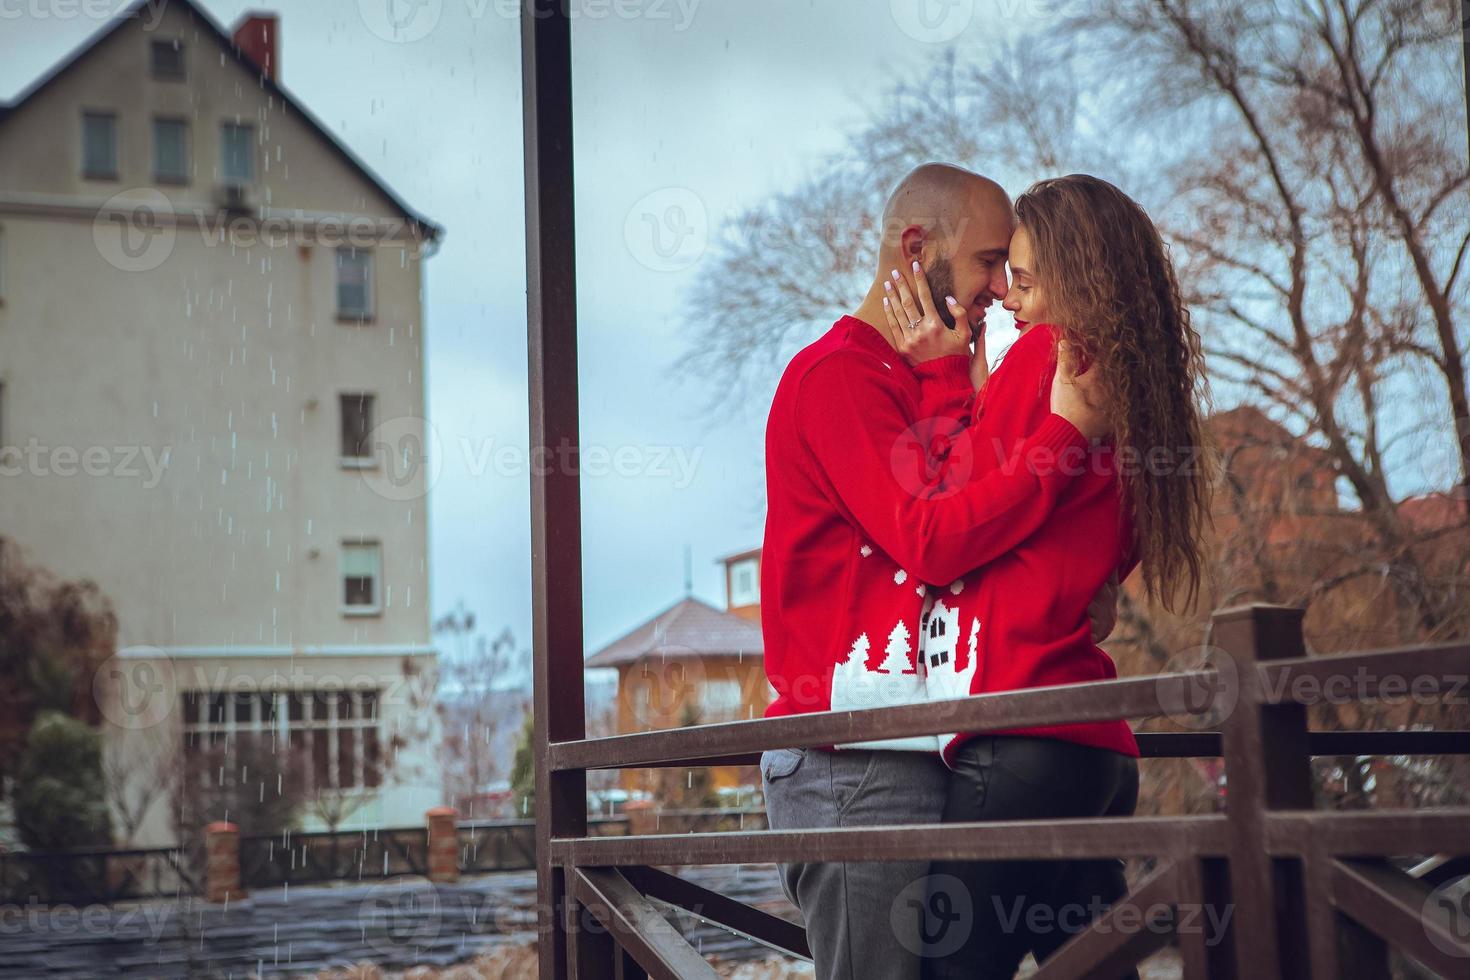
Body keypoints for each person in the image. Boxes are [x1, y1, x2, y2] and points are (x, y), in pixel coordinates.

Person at [758, 162, 1116, 980]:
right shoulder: (837, 380)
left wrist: (1076, 586)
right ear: (916, 249)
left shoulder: (927, 374)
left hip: (933, 747)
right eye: (991, 261)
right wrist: (1063, 437)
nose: (1004, 285)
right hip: (853, 762)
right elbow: (930, 537)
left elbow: (984, 523)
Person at [878, 174, 1209, 979]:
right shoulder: (1139, 391)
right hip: (1098, 752)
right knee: (1092, 967)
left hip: (1019, 741)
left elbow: (950, 510)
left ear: (1078, 277)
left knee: (947, 967)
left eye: (1023, 280)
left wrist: (946, 378)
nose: (1009, 299)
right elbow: (1089, 548)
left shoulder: (1047, 356)